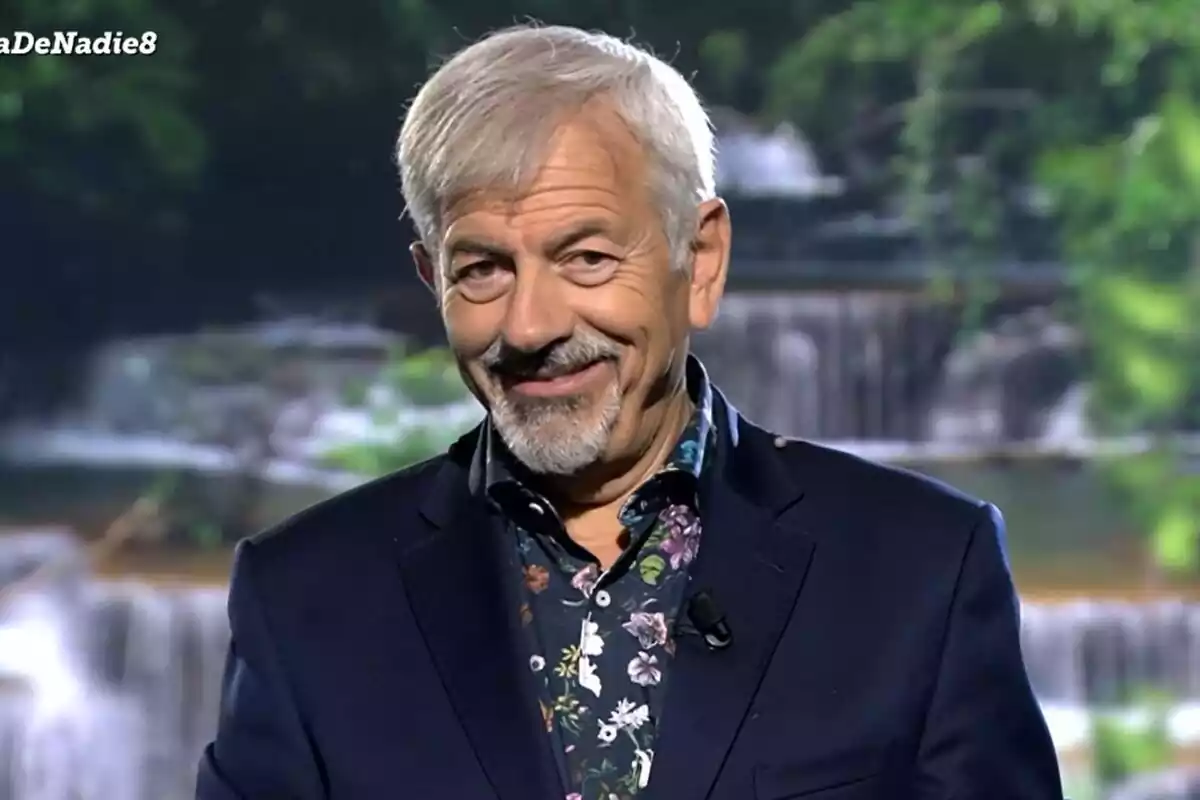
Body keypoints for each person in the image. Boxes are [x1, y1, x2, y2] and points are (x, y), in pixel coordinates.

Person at [196, 23, 1064, 800]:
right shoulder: (304, 599)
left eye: (586, 257)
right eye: (483, 269)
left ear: (704, 257)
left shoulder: (922, 569)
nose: (530, 326)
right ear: (433, 281)